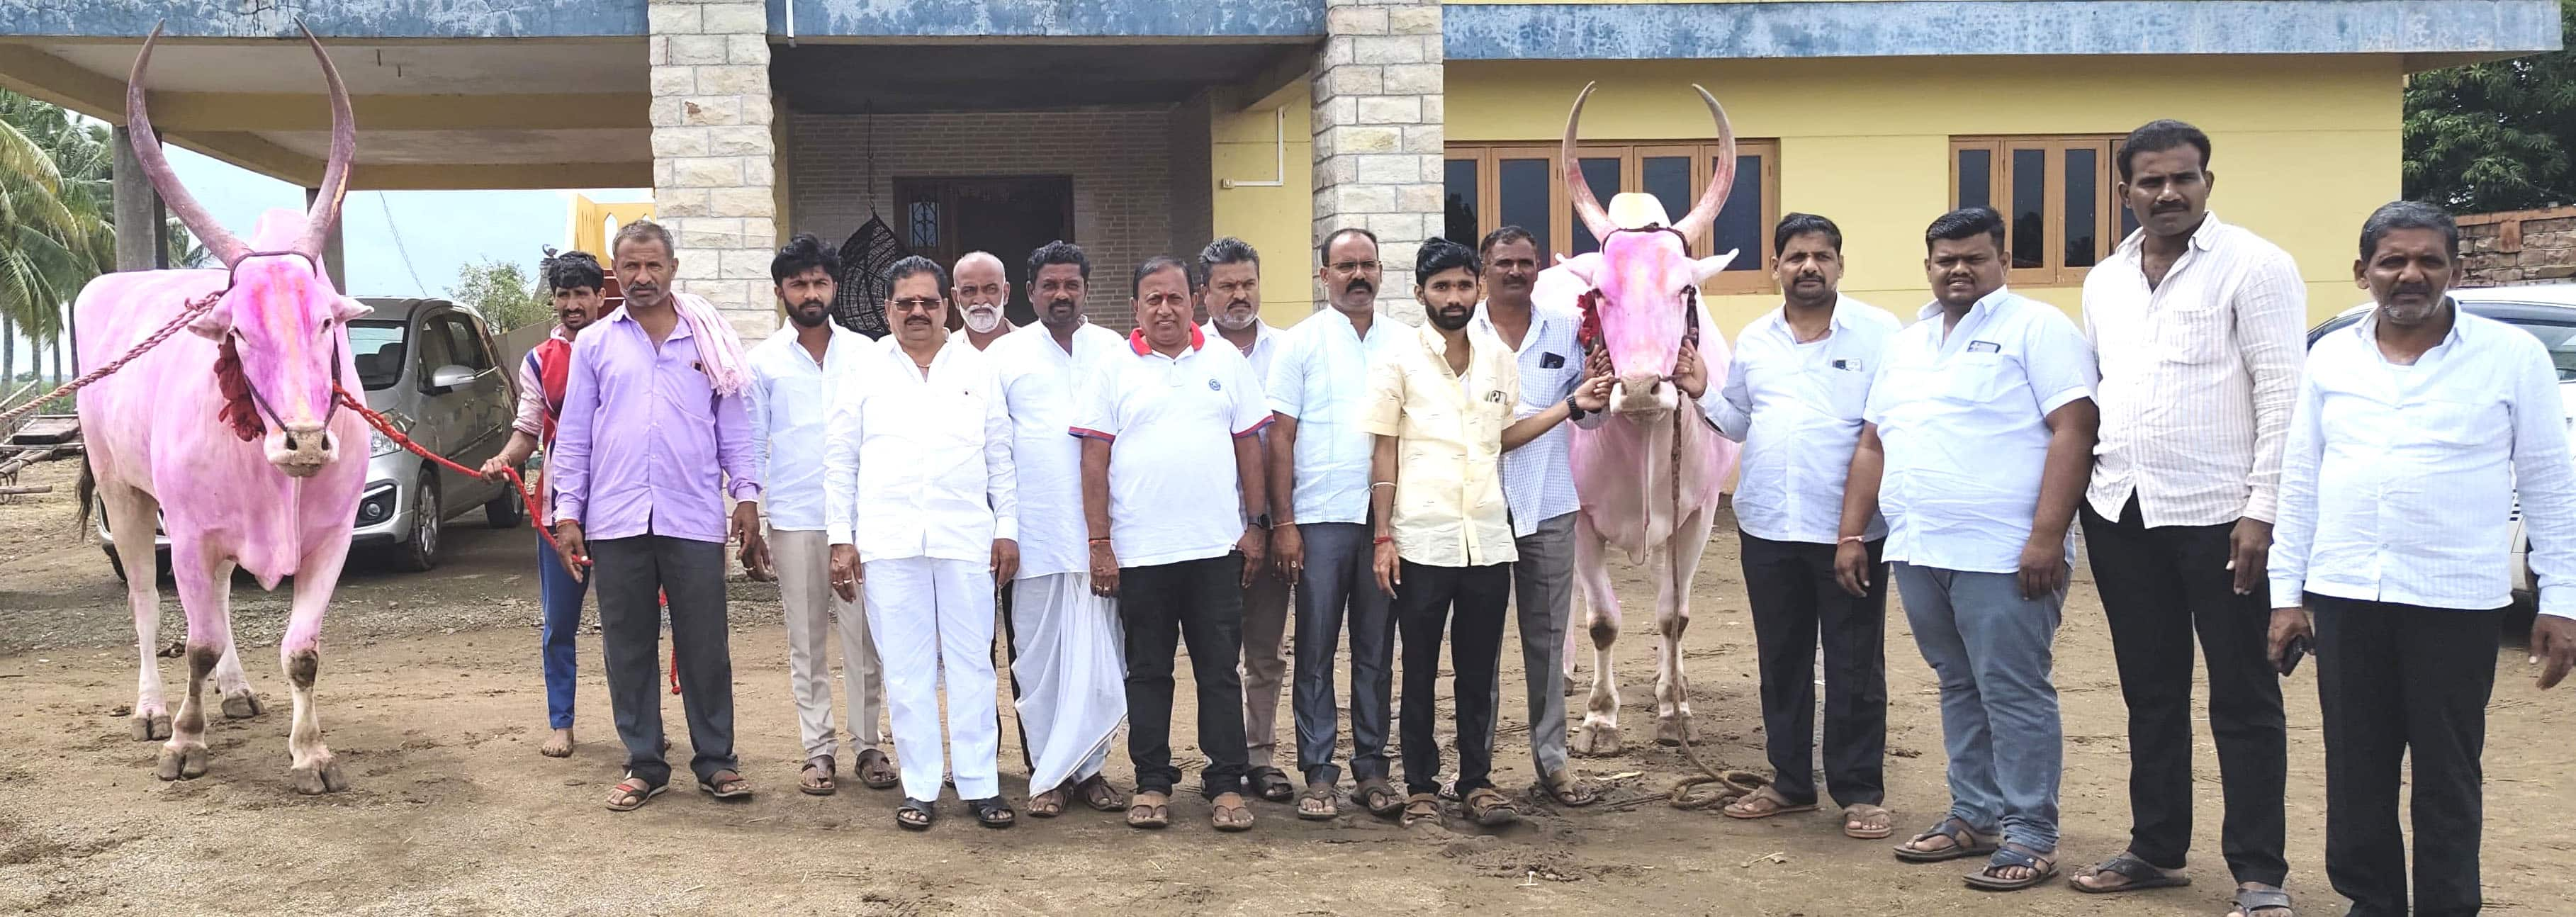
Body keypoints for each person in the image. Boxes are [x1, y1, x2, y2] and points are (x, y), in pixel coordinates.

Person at [2268, 201, 2576, 917]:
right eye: (2391, 261)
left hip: (2454, 603)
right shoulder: (2328, 356)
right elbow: (2300, 480)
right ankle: (2370, 904)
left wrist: (2560, 598)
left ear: (2454, 269)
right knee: (2355, 773)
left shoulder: (2511, 357)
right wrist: (2286, 595)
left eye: (2427, 260)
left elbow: (2547, 486)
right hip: (2346, 595)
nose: (2409, 274)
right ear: (2361, 272)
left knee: (2445, 775)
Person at [2068, 120, 2303, 917]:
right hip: (2120, 510)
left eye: (2184, 178)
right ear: (2123, 190)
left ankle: (2257, 873)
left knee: (2242, 696)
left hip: (2221, 519)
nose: (2167, 193)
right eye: (2150, 181)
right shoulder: (2104, 280)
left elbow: (2282, 399)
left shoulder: (2256, 266)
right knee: (2150, 691)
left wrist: (2261, 512)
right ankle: (2156, 847)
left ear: (2208, 180)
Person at [1840, 206, 2098, 889]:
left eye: (1973, 258)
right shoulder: (1906, 343)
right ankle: (1973, 813)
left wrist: (2047, 536)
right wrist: (1851, 533)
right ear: (1927, 266)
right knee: (1957, 684)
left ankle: (2029, 834)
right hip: (1919, 547)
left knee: (2012, 690)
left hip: (2005, 552)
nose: (1958, 269)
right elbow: (1873, 442)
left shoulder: (2037, 328)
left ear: (2001, 261)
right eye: (1945, 259)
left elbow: (2074, 429)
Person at [1365, 238, 1609, 828]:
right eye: (1440, 287)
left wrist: (1569, 407)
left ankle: (1475, 782)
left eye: (1461, 286)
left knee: (1478, 667)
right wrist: (1383, 538)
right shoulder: (1397, 357)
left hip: (1486, 539)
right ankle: (1421, 785)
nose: (1453, 298)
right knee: (1419, 666)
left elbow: (1502, 436)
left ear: (1476, 288)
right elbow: (1383, 454)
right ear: (1420, 292)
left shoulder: (1497, 358)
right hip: (1421, 539)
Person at [1675, 213, 1900, 840]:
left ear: (1839, 264)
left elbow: (1885, 433)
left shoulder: (1880, 334)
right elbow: (1739, 421)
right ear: (1776, 267)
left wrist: (1855, 531)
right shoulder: (1755, 339)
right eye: (1796, 256)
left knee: (1855, 662)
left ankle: (1858, 791)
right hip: (1768, 527)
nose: (1809, 266)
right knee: (1781, 659)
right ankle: (1790, 782)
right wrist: (1699, 392)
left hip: (1849, 531)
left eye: (1821, 255)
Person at [549, 219, 763, 811]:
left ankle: (716, 761)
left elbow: (735, 427)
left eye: (653, 266)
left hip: (692, 515)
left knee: (705, 644)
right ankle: (645, 762)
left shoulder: (709, 339)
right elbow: (574, 438)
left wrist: (745, 496)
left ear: (672, 268)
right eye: (631, 267)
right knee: (628, 645)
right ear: (615, 274)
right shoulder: (593, 345)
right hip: (615, 519)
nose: (642, 277)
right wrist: (568, 514)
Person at [1074, 255, 1270, 832]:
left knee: (1218, 670)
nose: (1165, 308)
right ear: (1135, 306)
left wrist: (1254, 524)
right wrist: (1100, 541)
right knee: (1148, 671)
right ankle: (1153, 782)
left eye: (1176, 298)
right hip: (1141, 553)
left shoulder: (1225, 362)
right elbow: (1093, 458)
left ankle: (1225, 784)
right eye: (1152, 299)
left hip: (1214, 549)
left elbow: (1249, 447)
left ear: (1195, 300)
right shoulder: (1112, 369)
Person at [824, 255, 1018, 830]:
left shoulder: (978, 367)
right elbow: (839, 461)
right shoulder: (863, 370)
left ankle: (981, 785)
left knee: (971, 668)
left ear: (947, 306)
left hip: (965, 539)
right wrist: (842, 539)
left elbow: (1000, 456)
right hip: (889, 542)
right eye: (904, 303)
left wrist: (1006, 527)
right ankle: (921, 787)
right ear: (887, 310)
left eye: (927, 303)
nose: (916, 312)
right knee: (906, 671)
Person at [1266, 227, 1412, 819]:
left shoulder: (1406, 343)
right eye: (1345, 266)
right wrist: (1284, 522)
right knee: (1317, 648)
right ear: (1322, 275)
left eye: (1367, 265)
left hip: (1386, 521)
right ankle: (1319, 771)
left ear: (1381, 272)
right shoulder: (1299, 345)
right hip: (1320, 518)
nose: (1358, 276)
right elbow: (1281, 438)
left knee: (1377, 649)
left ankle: (1373, 770)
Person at [741, 233, 895, 797]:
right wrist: (750, 510)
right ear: (782, 290)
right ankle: (818, 750)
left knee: (864, 636)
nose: (810, 292)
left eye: (819, 282)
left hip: (859, 518)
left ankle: (869, 743)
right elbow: (753, 441)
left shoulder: (870, 354)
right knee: (805, 638)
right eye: (799, 283)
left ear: (835, 286)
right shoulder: (762, 362)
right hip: (795, 516)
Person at [1468, 225, 1611, 809]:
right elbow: (1484, 428)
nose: (1516, 272)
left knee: (1548, 641)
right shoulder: (1461, 333)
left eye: (1526, 263)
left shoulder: (1564, 330)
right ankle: (1475, 769)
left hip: (1550, 504)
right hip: (1475, 507)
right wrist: (1563, 406)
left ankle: (1552, 762)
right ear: (1485, 270)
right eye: (1504, 263)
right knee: (1478, 643)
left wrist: (1597, 392)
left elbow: (1592, 419)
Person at [989, 241, 1130, 819]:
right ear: (1029, 293)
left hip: (1106, 536)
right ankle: (1047, 774)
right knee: (1040, 664)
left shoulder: (1114, 350)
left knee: (1100, 661)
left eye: (1071, 284)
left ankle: (1092, 772)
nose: (1061, 295)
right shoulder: (1005, 355)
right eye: (1050, 285)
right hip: (1037, 535)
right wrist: (1007, 528)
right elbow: (996, 449)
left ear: (1086, 290)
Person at [479, 249, 606, 759]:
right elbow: (527, 429)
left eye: (581, 294)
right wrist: (503, 460)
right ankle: (562, 723)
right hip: (559, 508)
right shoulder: (538, 360)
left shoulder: (627, 344)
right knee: (559, 622)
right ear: (553, 300)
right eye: (563, 295)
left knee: (630, 625)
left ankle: (638, 726)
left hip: (624, 505)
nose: (572, 305)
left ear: (600, 297)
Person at [1196, 236, 1296, 804]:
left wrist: (1276, 522)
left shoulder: (1289, 350)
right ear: (1203, 293)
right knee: (1214, 655)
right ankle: (1222, 762)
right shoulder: (1189, 352)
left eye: (1248, 284)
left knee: (1264, 649)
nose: (1239, 295)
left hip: (1270, 523)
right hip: (1208, 533)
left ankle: (1260, 758)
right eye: (1227, 286)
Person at [954, 251, 1016, 351]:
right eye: (969, 291)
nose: (980, 301)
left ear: (1006, 293)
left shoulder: (1034, 347)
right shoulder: (943, 353)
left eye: (990, 289)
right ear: (956, 298)